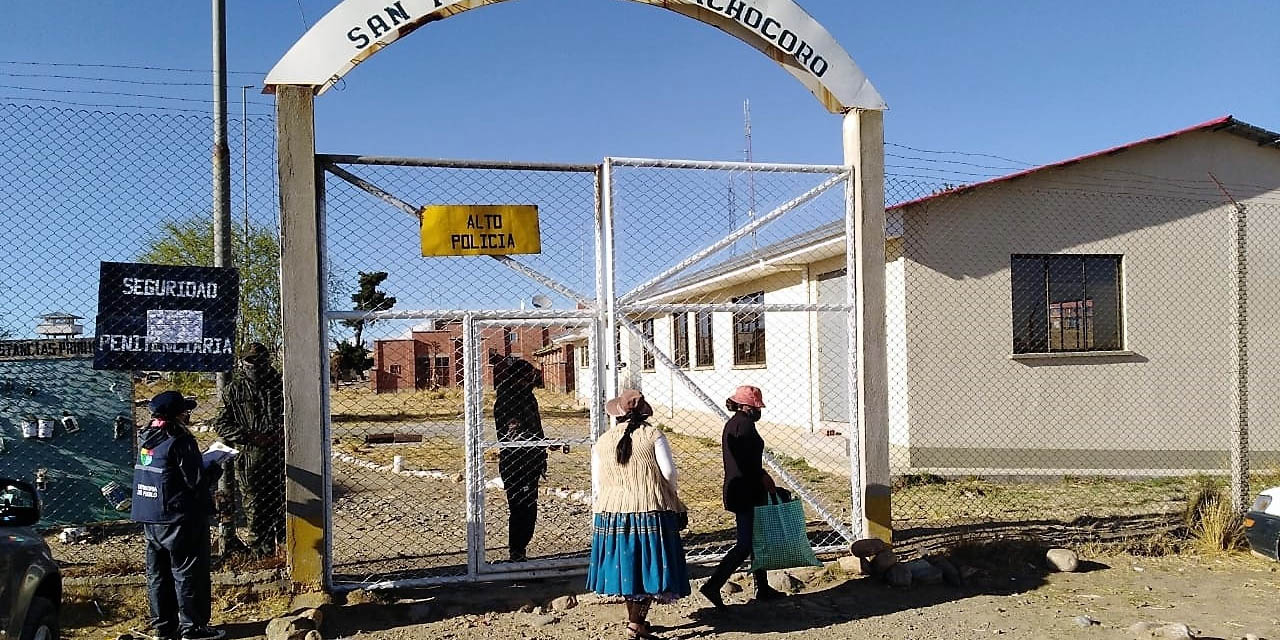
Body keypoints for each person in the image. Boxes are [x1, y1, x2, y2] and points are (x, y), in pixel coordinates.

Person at [587, 389, 689, 640]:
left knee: (627, 568)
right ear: (644, 413)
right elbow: (668, 473)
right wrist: (670, 496)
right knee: (647, 568)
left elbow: (598, 484)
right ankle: (635, 624)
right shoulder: (653, 435)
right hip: (649, 509)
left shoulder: (602, 442)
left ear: (617, 414)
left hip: (612, 512)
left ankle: (636, 622)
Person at [131, 391, 226, 640]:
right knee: (188, 572)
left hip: (151, 514)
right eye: (186, 410)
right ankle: (193, 628)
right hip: (179, 516)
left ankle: (164, 627)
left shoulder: (147, 435)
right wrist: (215, 466)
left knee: (159, 574)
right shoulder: (180, 439)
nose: (188, 414)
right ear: (177, 414)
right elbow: (196, 480)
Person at [699, 385, 786, 610]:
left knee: (754, 541)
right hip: (745, 491)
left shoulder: (737, 424)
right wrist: (764, 477)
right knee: (745, 544)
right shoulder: (744, 426)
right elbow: (747, 463)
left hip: (743, 490)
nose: (759, 411)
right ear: (746, 406)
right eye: (756, 406)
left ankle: (763, 587)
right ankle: (713, 584)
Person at [213, 342, 284, 556]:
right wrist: (250, 436)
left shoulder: (281, 384)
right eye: (250, 360)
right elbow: (221, 423)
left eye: (260, 359)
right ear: (243, 362)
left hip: (282, 454)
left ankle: (283, 550)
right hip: (249, 458)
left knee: (283, 505)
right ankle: (259, 553)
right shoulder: (234, 390)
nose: (255, 364)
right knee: (255, 506)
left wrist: (284, 432)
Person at [492, 356, 547, 562]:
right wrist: (539, 443)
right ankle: (516, 552)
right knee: (519, 508)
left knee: (529, 507)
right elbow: (514, 433)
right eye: (528, 377)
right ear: (518, 378)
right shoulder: (508, 399)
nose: (532, 381)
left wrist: (541, 449)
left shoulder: (527, 397)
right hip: (516, 461)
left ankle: (520, 550)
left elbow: (534, 429)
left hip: (531, 459)